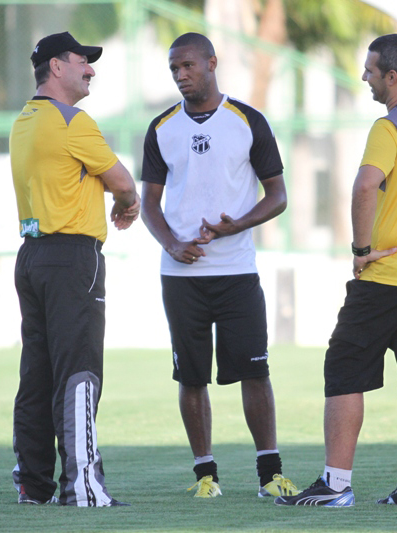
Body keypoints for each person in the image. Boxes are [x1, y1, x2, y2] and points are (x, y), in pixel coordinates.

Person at [276, 33, 397, 508]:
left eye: (371, 70)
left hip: (390, 273)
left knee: (343, 367)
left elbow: (364, 187)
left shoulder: (389, 126)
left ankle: (336, 486)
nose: (364, 76)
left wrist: (360, 249)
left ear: (392, 77)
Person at [140, 32, 299, 500]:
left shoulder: (247, 121)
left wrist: (237, 226)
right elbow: (149, 203)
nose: (180, 75)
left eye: (187, 65)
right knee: (191, 378)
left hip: (236, 273)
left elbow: (278, 196)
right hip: (181, 278)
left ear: (212, 63)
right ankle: (205, 475)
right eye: (174, 69)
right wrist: (170, 244)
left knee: (255, 372)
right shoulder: (161, 128)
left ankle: (270, 474)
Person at [9, 31, 140, 506]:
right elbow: (123, 183)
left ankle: (34, 484)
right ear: (56, 67)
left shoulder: (25, 121)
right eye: (82, 61)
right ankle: (84, 486)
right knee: (79, 372)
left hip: (32, 257)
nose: (90, 69)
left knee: (36, 376)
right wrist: (129, 205)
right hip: (71, 258)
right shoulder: (73, 121)